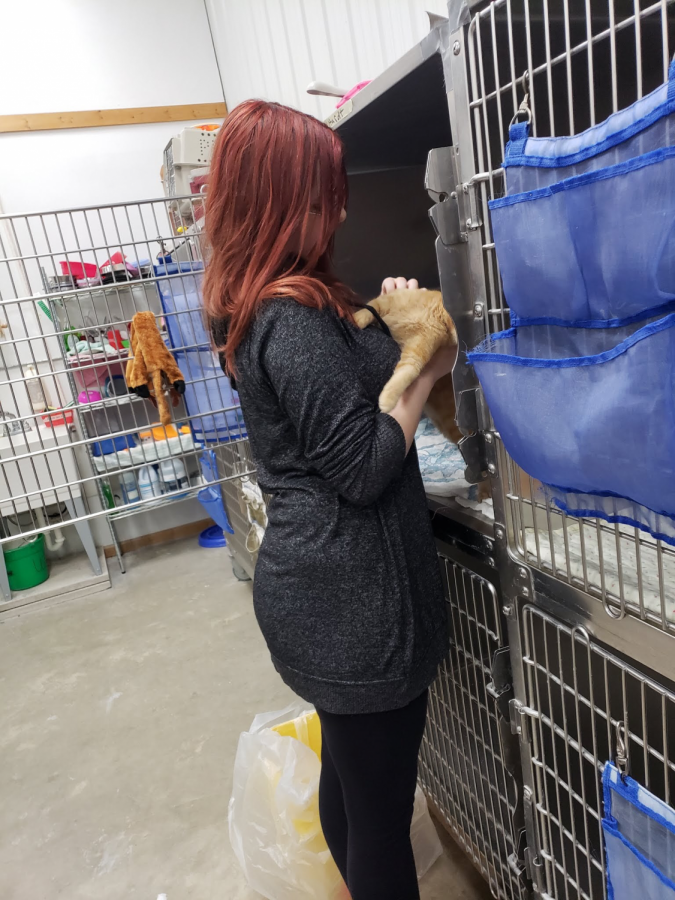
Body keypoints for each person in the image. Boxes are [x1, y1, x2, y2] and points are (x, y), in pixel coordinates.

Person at [204, 99, 455, 900]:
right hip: (351, 607)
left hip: (323, 595)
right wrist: (428, 362)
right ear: (277, 201)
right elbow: (364, 463)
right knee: (380, 817)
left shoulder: (283, 301)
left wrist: (389, 323)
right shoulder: (291, 318)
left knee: (351, 785)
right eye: (322, 193)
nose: (339, 207)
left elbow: (346, 404)